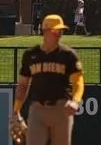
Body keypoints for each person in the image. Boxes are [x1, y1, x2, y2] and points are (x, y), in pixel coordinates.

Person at [12, 15, 84, 145]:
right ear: (45, 31)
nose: (59, 34)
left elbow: (78, 82)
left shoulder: (68, 55)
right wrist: (16, 110)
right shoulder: (31, 55)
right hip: (37, 110)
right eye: (56, 31)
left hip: (61, 109)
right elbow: (22, 85)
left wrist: (75, 101)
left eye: (61, 31)